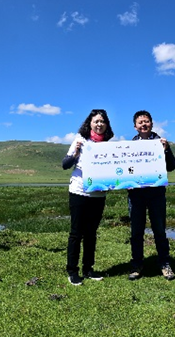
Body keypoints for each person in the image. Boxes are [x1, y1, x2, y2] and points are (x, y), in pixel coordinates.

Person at [62, 109, 115, 285]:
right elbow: (65, 164)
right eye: (96, 121)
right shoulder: (80, 140)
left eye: (102, 121)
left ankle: (88, 269)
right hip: (79, 191)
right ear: (89, 123)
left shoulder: (108, 144)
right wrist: (75, 152)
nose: (99, 124)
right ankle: (72, 271)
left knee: (91, 233)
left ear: (106, 125)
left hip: (98, 194)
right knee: (77, 232)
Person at [127, 110, 175, 281]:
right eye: (140, 122)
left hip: (156, 195)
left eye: (146, 121)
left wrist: (167, 150)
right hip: (136, 196)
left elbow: (171, 167)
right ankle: (137, 265)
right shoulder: (129, 146)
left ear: (152, 124)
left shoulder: (160, 144)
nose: (144, 124)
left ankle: (165, 264)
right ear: (135, 126)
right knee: (136, 232)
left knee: (159, 230)